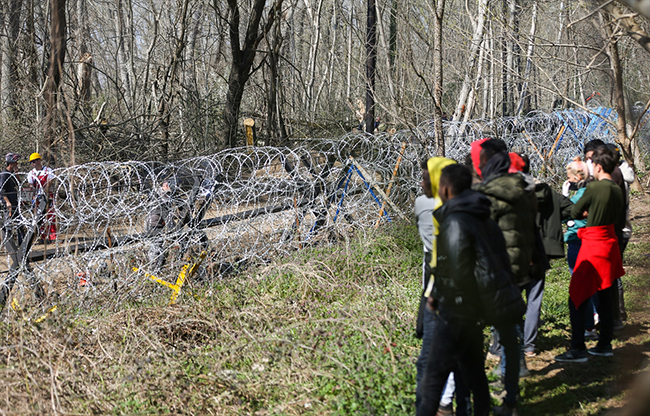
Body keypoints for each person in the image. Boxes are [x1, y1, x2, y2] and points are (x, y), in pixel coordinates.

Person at [418, 163, 521, 416]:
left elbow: (457, 271)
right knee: (475, 375)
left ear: (446, 188)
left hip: (456, 313)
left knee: (432, 379)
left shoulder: (454, 220)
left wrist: (438, 298)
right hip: (477, 309)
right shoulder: (482, 214)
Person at [472, 138, 538, 415]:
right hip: (521, 263)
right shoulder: (523, 191)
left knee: (498, 324)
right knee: (511, 323)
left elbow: (483, 232)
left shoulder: (490, 196)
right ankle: (511, 389)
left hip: (498, 267)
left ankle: (497, 390)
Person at [555, 147, 625, 362]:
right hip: (610, 242)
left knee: (577, 295)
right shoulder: (615, 188)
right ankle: (605, 343)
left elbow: (575, 211)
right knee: (605, 294)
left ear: (598, 166)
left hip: (593, 243)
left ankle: (578, 347)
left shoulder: (594, 188)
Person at [415, 157, 468, 415]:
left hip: (441, 290)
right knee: (467, 366)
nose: (421, 182)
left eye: (426, 177)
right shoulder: (468, 209)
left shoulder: (431, 208)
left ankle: (434, 405)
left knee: (430, 361)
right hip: (460, 292)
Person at [0, 153, 45, 310]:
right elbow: (1, 191)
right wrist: (7, 203)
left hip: (16, 206)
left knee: (21, 230)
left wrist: (17, 175)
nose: (17, 163)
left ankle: (21, 248)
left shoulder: (12, 174)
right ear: (10, 162)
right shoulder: (4, 174)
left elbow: (19, 187)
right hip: (9, 208)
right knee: (8, 230)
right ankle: (11, 248)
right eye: (16, 162)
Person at [26, 152, 56, 242]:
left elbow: (50, 182)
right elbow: (31, 186)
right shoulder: (31, 173)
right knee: (40, 217)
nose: (32, 163)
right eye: (31, 162)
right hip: (37, 197)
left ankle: (52, 236)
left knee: (50, 215)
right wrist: (34, 197)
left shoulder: (48, 170)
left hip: (48, 195)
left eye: (34, 161)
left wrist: (44, 192)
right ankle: (43, 237)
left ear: (39, 161)